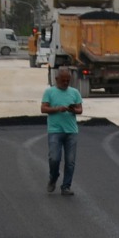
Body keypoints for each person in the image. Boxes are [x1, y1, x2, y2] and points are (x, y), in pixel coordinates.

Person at [40, 67, 83, 196]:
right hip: (55, 131)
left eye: (68, 80)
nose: (65, 83)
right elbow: (43, 108)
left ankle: (66, 186)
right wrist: (58, 109)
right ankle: (53, 177)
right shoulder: (49, 92)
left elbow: (80, 110)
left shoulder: (75, 93)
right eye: (63, 80)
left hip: (71, 131)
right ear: (56, 79)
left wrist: (72, 110)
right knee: (54, 158)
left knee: (70, 161)